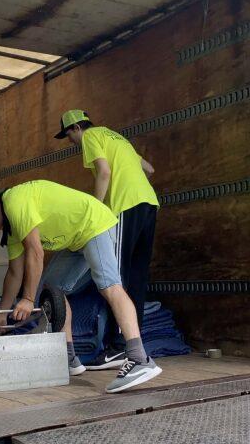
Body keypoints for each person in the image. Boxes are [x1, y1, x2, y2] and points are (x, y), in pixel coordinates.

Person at [0, 181, 162, 393]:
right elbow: (14, 272)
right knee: (53, 291)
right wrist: (2, 313)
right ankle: (68, 357)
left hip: (93, 224)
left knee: (109, 286)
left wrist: (28, 299)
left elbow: (35, 253)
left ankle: (139, 358)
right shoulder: (12, 229)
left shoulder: (15, 202)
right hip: (75, 240)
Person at [55, 110, 159, 370]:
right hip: (149, 203)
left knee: (116, 279)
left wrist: (97, 209)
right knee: (136, 277)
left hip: (125, 206)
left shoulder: (90, 137)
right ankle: (133, 341)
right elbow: (148, 168)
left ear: (76, 128)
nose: (70, 141)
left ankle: (118, 347)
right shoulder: (116, 137)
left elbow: (103, 171)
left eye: (68, 135)